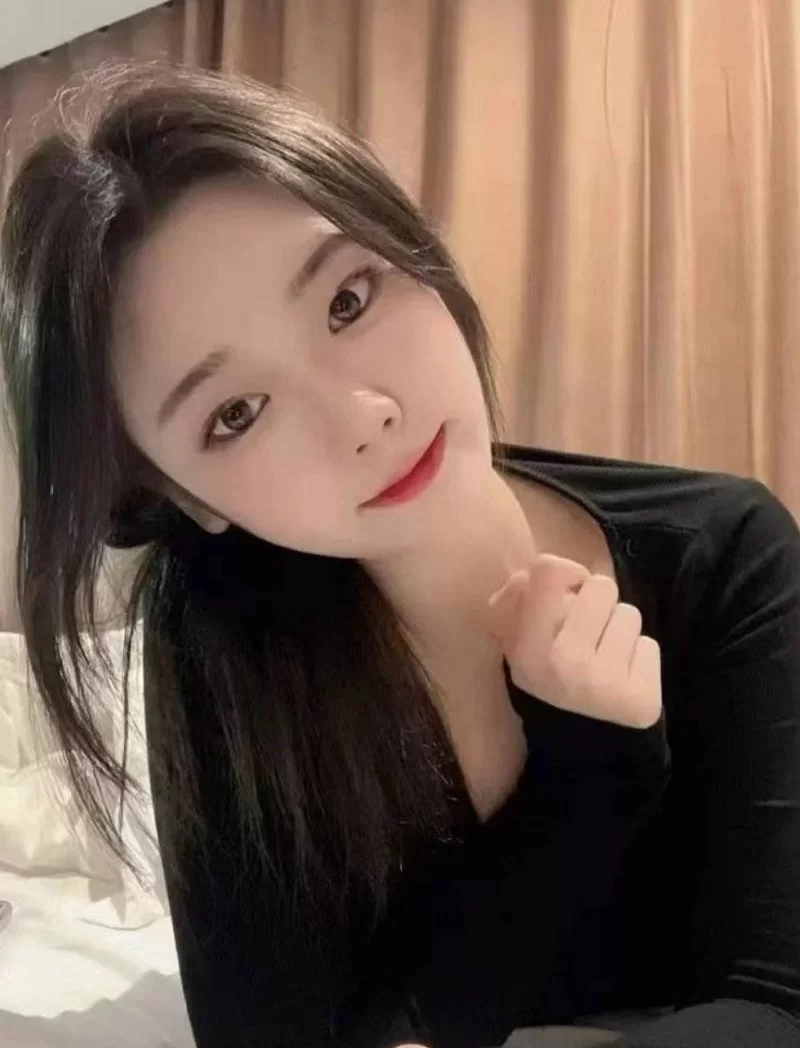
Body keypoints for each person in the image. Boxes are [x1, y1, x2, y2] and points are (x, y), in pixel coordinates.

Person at [1, 62, 798, 1048]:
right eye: (236, 413)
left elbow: (775, 1005)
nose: (361, 417)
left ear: (414, 251)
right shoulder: (221, 642)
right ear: (187, 499)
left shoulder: (724, 555)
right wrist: (584, 786)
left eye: (348, 299)